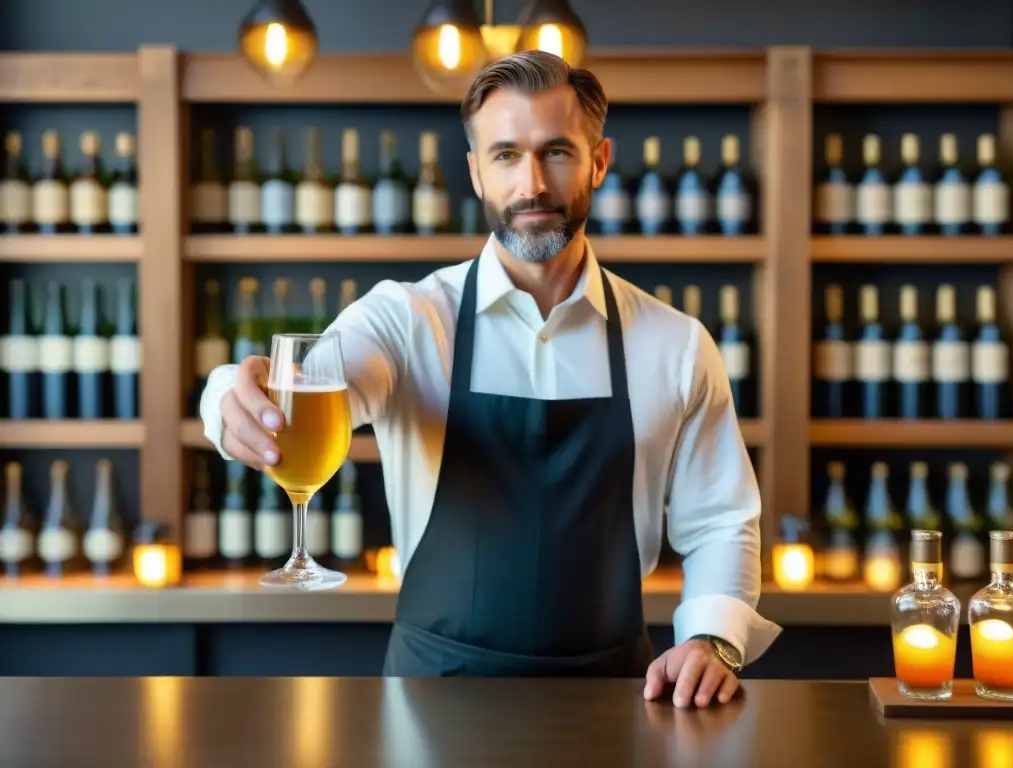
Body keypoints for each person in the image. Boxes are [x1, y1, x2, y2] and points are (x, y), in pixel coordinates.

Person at [199, 50, 781, 708]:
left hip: (620, 700)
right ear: (475, 172)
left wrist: (712, 639)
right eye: (505, 155)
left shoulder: (676, 344)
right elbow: (319, 379)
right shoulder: (405, 321)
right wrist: (228, 395)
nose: (531, 183)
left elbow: (721, 523)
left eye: (556, 151)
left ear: (599, 161)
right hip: (431, 702)